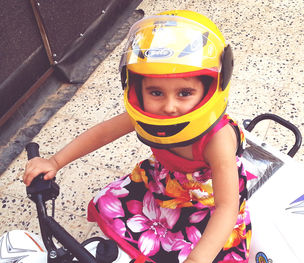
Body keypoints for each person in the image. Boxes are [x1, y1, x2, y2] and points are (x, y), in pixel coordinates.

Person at [23, 10, 251, 263]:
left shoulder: (217, 139)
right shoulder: (144, 116)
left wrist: (197, 260)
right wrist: (55, 162)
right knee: (116, 209)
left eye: (184, 92)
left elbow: (226, 208)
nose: (169, 106)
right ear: (137, 89)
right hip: (166, 181)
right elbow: (102, 133)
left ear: (211, 88)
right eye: (156, 92)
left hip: (208, 198)